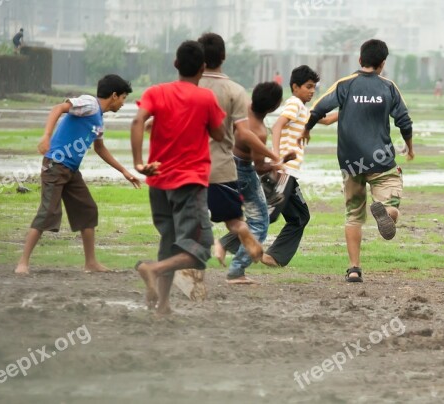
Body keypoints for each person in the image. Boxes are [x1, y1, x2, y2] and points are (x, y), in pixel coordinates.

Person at [300, 39, 415, 283]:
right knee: (392, 201)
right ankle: (387, 211)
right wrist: (410, 147)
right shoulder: (388, 87)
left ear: (360, 60)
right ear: (383, 64)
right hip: (381, 159)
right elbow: (404, 121)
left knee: (353, 215)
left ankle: (354, 269)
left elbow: (319, 108)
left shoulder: (345, 85)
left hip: (351, 162)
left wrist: (307, 129)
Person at [130, 41, 226, 315]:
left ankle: (163, 304)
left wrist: (139, 162)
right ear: (203, 67)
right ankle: (152, 269)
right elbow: (219, 135)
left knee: (170, 242)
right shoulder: (206, 98)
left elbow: (137, 121)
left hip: (158, 180)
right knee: (200, 249)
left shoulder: (156, 92)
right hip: (189, 182)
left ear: (175, 64)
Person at [15, 75, 139, 275]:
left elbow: (100, 148)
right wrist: (46, 135)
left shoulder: (98, 119)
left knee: (87, 209)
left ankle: (90, 263)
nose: (124, 103)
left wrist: (124, 171)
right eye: (123, 98)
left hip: (71, 170)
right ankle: (23, 263)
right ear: (114, 96)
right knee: (47, 212)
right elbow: (59, 108)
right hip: (55, 165)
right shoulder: (89, 104)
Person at [215, 82, 285, 285]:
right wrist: (275, 165)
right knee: (260, 224)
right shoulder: (259, 131)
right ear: (274, 107)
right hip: (243, 172)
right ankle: (237, 271)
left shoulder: (242, 110)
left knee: (234, 217)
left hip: (225, 163)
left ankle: (222, 246)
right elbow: (258, 166)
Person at [259, 65, 321, 268]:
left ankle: (273, 257)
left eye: (314, 87)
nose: (312, 91)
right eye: (308, 87)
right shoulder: (294, 103)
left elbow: (325, 118)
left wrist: (347, 109)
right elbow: (276, 125)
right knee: (268, 214)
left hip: (291, 173)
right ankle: (226, 245)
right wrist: (276, 157)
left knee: (300, 217)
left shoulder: (302, 108)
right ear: (295, 87)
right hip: (284, 170)